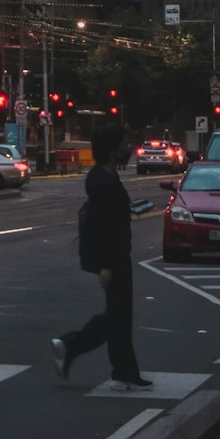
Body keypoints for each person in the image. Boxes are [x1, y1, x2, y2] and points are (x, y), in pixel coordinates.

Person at [50, 122, 152, 390]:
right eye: (122, 144)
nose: (127, 148)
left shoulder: (105, 177)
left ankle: (123, 371)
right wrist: (105, 266)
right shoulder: (103, 183)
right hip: (114, 258)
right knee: (117, 316)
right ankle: (70, 345)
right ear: (111, 150)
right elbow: (102, 227)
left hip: (118, 255)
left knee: (119, 316)